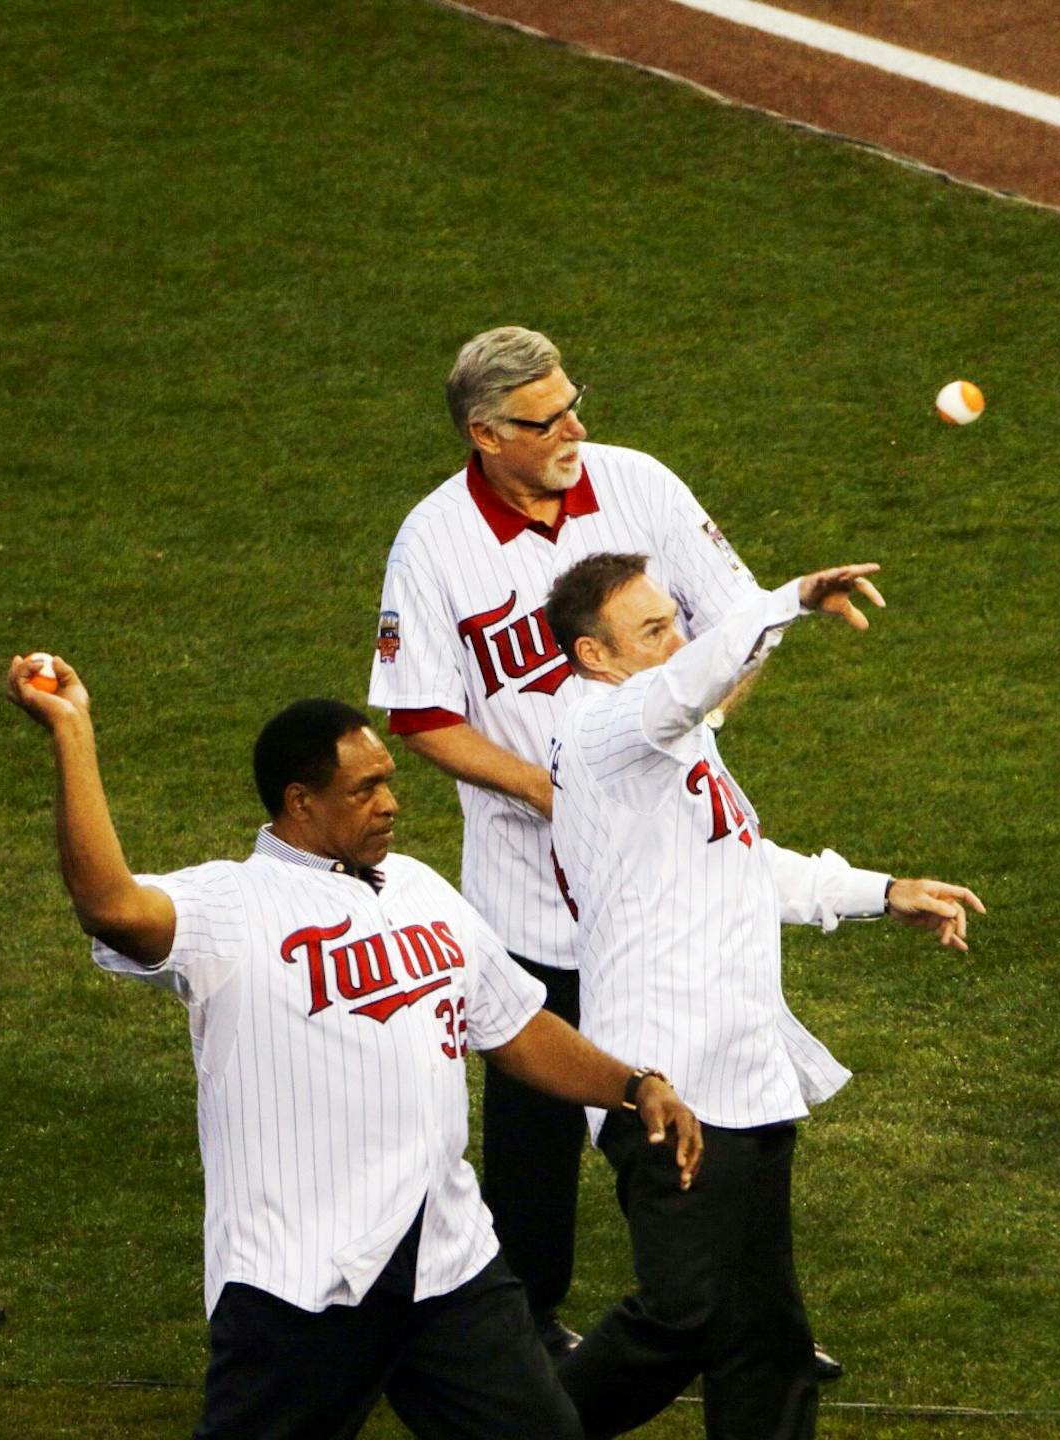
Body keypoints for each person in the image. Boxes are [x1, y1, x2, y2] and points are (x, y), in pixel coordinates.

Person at [4, 653, 703, 1440]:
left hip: (449, 1265)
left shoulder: (419, 887)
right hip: (301, 1284)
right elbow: (109, 903)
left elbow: (514, 1026)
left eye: (387, 780)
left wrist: (633, 1084)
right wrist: (73, 732)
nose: (391, 803)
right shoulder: (232, 905)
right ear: (300, 803)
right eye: (364, 789)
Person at [366, 327, 848, 1374]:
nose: (576, 429)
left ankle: (757, 1321)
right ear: (485, 435)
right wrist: (559, 788)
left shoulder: (639, 486)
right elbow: (420, 716)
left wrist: (680, 737)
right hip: (529, 895)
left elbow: (737, 628)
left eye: (576, 401)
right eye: (547, 420)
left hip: (668, 889)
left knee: (718, 1079)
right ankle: (527, 1328)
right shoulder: (435, 540)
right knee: (540, 1127)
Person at [540, 555, 984, 1440]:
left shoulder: (669, 740)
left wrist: (881, 890)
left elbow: (741, 863)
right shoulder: (606, 727)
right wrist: (787, 605)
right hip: (668, 1088)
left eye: (677, 620)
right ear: (594, 653)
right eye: (655, 630)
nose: (679, 641)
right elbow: (687, 686)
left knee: (766, 1342)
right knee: (683, 1317)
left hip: (741, 1075)